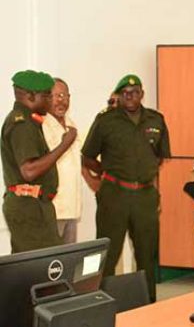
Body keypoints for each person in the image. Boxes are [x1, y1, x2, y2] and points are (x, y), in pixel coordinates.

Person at [82, 74, 171, 301]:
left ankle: (149, 305)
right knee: (108, 255)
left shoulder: (156, 120)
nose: (130, 96)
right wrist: (105, 174)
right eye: (125, 93)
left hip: (145, 196)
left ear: (142, 94)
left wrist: (147, 178)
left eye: (135, 92)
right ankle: (101, 304)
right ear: (119, 96)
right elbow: (88, 156)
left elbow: (160, 157)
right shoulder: (105, 121)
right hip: (114, 195)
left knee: (147, 255)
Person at [2, 70, 76, 253]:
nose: (50, 101)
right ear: (30, 96)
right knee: (43, 267)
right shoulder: (22, 124)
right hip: (29, 207)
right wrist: (64, 145)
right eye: (46, 96)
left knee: (36, 267)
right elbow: (29, 171)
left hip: (36, 205)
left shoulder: (30, 121)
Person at [42, 78, 85, 243]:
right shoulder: (42, 126)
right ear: (46, 98)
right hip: (54, 210)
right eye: (56, 96)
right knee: (52, 264)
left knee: (68, 262)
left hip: (72, 209)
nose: (62, 100)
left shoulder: (71, 125)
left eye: (65, 96)